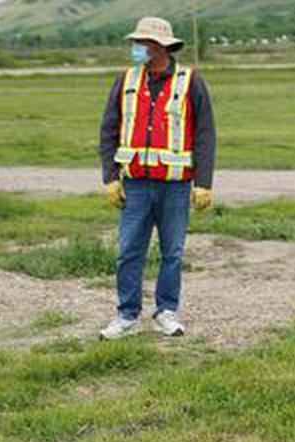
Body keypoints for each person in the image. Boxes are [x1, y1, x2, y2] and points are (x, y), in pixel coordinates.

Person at [97, 17, 217, 339]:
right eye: (136, 42)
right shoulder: (125, 81)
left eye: (143, 43)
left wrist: (203, 182)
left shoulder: (190, 81)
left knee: (172, 253)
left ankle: (166, 311)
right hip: (134, 185)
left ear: (161, 46)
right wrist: (110, 176)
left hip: (175, 186)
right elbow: (108, 130)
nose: (137, 49)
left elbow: (205, 134)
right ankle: (126, 316)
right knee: (129, 252)